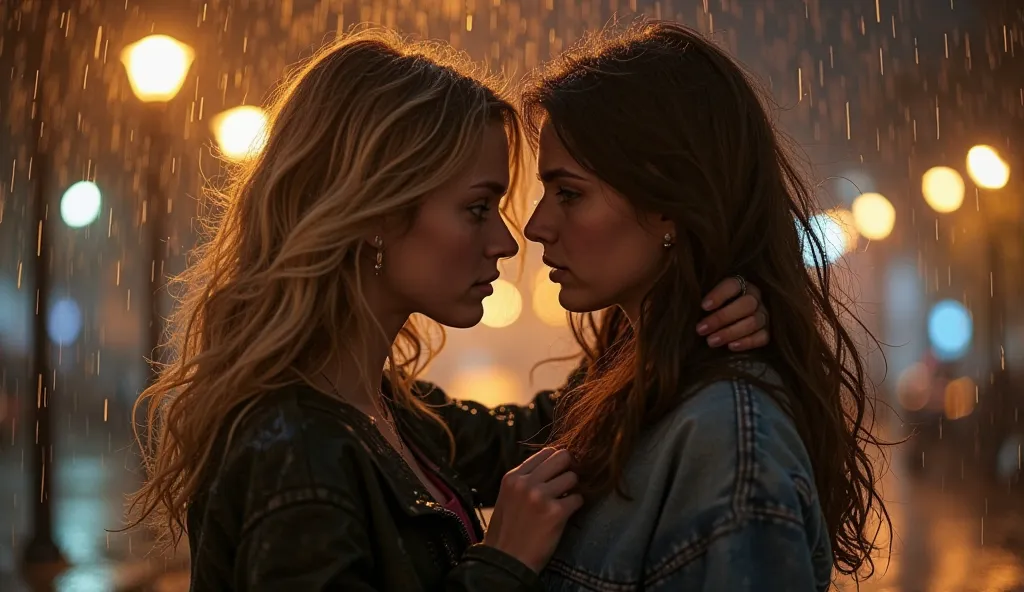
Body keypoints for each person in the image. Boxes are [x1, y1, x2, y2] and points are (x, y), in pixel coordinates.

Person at [126, 28, 769, 591]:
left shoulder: (386, 414)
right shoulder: (293, 450)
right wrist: (502, 563)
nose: (506, 239)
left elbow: (558, 431)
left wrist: (679, 314)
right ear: (378, 212)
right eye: (476, 208)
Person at [520, 20, 890, 591]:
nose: (536, 225)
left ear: (669, 202)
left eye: (569, 193)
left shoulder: (730, 443)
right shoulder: (639, 396)